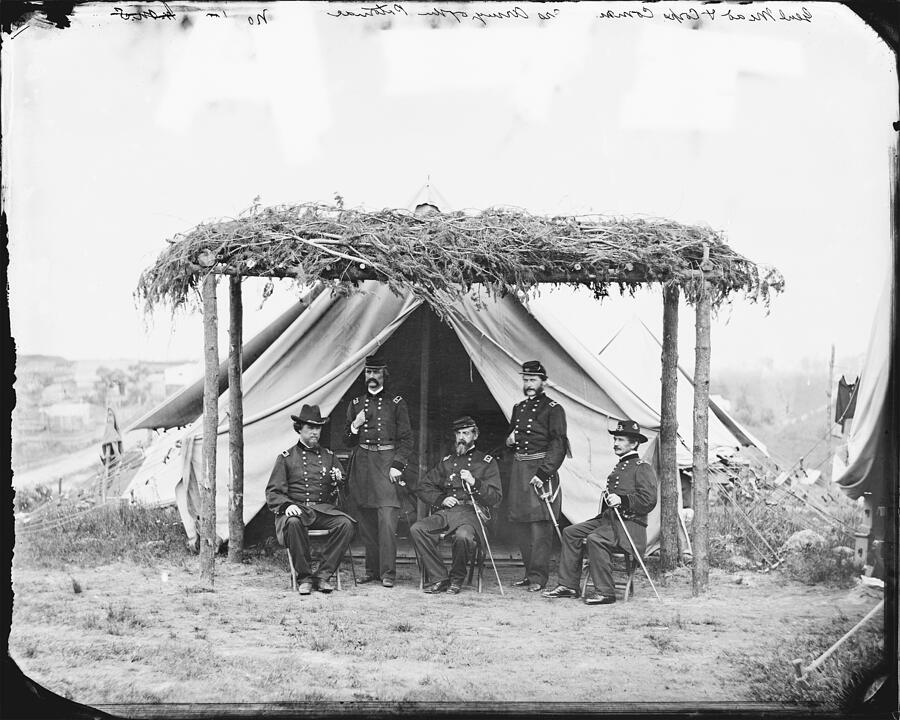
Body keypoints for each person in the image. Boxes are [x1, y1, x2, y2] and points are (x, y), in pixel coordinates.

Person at [543, 419, 658, 605]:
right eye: (615, 440)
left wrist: (624, 500)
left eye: (620, 440)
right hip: (609, 521)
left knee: (596, 539)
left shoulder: (642, 467)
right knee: (570, 532)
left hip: (629, 526)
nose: (616, 444)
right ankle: (568, 585)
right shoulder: (621, 465)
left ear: (634, 443)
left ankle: (605, 592)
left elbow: (649, 500)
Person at [266, 404, 356, 595]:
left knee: (346, 524)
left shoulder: (329, 456)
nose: (315, 432)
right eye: (310, 428)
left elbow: (341, 492)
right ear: (300, 429)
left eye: (318, 428)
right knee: (292, 523)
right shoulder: (286, 458)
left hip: (322, 510)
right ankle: (305, 578)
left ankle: (323, 576)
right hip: (297, 510)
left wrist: (338, 482)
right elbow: (273, 492)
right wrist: (287, 505)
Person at [411, 416, 502, 594]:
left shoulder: (487, 463)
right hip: (448, 511)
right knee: (418, 529)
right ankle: (440, 577)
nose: (461, 437)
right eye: (458, 433)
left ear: (475, 435)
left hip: (472, 513)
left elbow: (496, 498)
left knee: (463, 536)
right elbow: (423, 486)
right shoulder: (447, 462)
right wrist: (441, 499)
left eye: (466, 433)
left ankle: (457, 578)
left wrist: (474, 482)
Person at [344, 355, 414, 588]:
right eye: (368, 373)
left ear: (384, 374)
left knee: (386, 521)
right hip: (363, 464)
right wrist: (355, 424)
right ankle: (371, 570)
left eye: (376, 373)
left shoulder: (396, 403)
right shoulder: (355, 404)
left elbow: (407, 440)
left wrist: (397, 465)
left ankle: (388, 573)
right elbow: (347, 441)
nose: (371, 377)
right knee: (366, 521)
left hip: (386, 463)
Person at [505, 360, 569, 592]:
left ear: (543, 382)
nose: (528, 384)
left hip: (542, 472)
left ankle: (539, 577)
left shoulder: (553, 409)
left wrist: (543, 473)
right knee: (521, 524)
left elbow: (559, 445)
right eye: (525, 379)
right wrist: (509, 441)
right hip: (520, 471)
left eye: (533, 380)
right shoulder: (518, 408)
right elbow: (513, 441)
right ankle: (528, 572)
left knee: (540, 527)